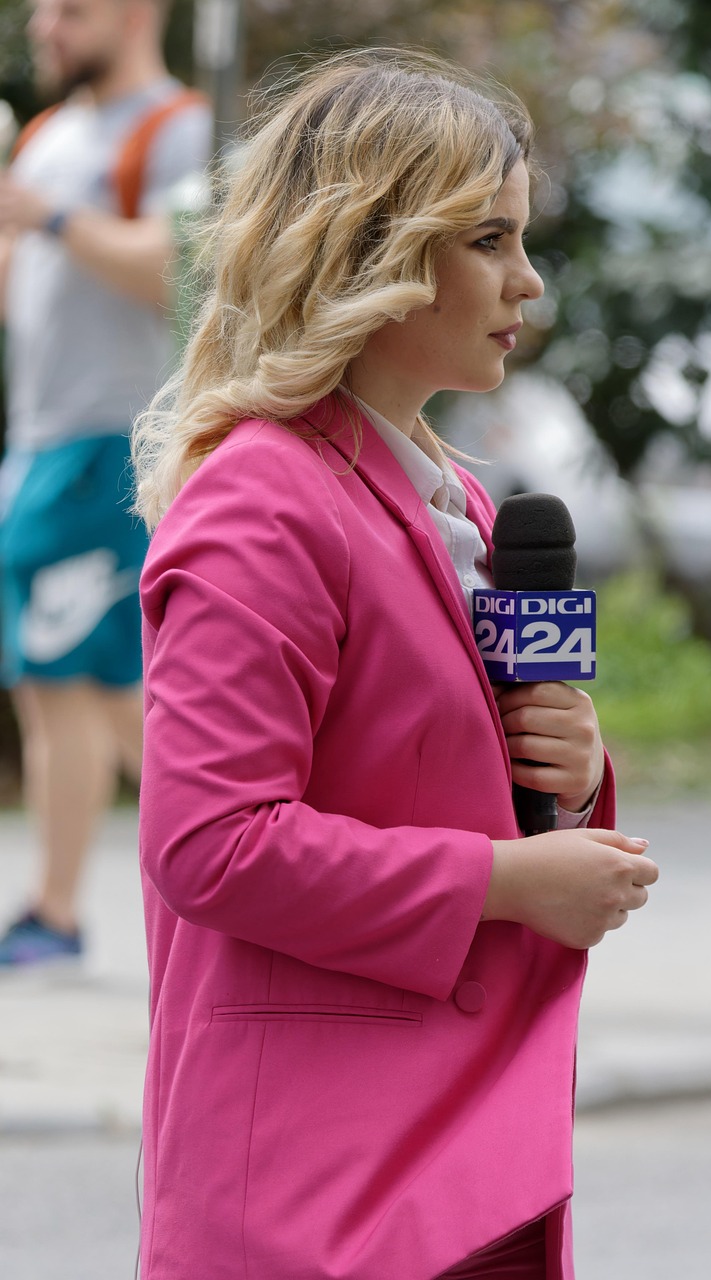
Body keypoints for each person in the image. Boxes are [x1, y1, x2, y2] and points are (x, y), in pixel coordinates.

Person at [130, 50, 659, 1280]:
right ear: (368, 248)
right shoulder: (260, 500)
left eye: (522, 239)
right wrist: (507, 881)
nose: (527, 281)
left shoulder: (461, 500)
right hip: (325, 1193)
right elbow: (211, 842)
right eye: (489, 239)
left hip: (463, 1160)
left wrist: (572, 774)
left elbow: (455, 777)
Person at [0, 0, 211, 965]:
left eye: (69, 8)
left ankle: (66, 913)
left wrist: (46, 215)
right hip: (43, 443)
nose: (44, 26)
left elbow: (182, 275)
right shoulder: (48, 134)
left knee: (80, 682)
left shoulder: (183, 131)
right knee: (91, 685)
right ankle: (72, 908)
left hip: (112, 444)